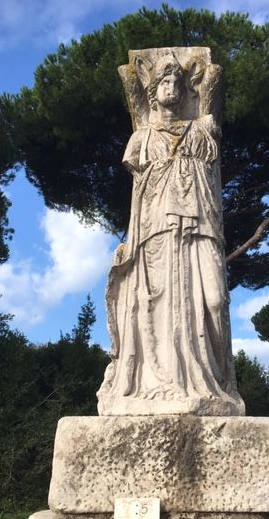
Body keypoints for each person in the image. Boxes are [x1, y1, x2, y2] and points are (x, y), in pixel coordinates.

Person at [97, 52, 244, 416]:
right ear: (152, 91)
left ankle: (218, 382)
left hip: (201, 226)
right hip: (156, 232)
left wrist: (208, 100)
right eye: (164, 81)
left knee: (215, 301)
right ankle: (159, 382)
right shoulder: (142, 137)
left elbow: (210, 172)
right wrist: (131, 241)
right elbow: (139, 194)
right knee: (155, 305)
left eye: (178, 82)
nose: (172, 88)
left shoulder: (201, 130)